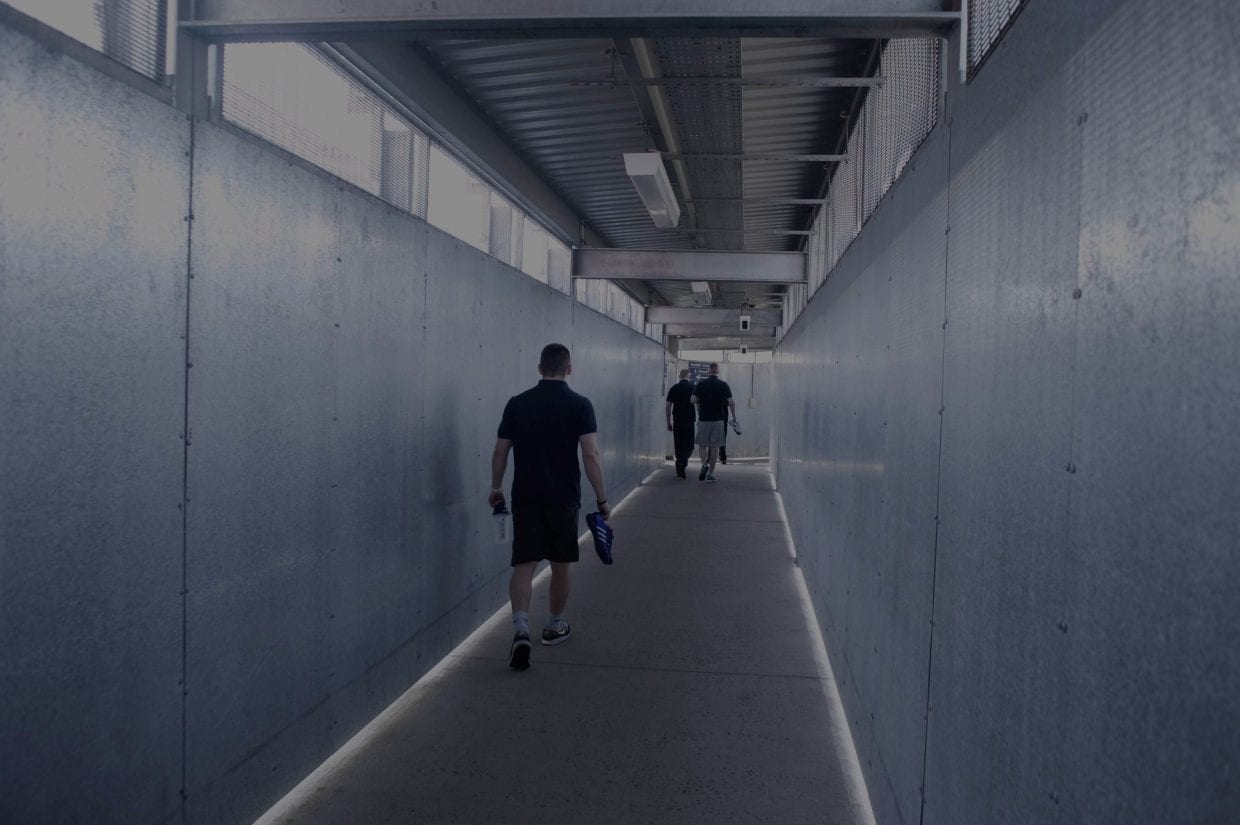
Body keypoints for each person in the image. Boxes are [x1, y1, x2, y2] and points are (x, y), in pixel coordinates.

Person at [488, 343, 611, 671]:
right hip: (563, 497)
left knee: (524, 564)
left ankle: (520, 628)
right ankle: (555, 626)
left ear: (539, 367)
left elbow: (500, 452)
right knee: (560, 564)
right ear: (569, 369)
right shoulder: (580, 404)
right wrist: (602, 499)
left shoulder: (517, 403)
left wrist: (496, 487)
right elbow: (591, 455)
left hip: (526, 495)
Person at [690, 362, 737, 483]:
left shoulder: (701, 384)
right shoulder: (723, 385)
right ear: (717, 371)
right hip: (718, 420)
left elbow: (693, 400)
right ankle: (710, 474)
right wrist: (734, 417)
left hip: (704, 419)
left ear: (708, 371)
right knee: (715, 447)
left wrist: (703, 401)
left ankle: (703, 464)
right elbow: (731, 402)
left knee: (702, 445)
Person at [665, 368, 696, 478]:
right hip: (689, 420)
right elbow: (699, 403)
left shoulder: (674, 388)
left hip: (677, 420)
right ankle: (682, 463)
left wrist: (668, 422)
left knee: (678, 444)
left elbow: (668, 406)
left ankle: (680, 463)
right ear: (689, 376)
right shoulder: (693, 388)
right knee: (689, 445)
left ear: (679, 376)